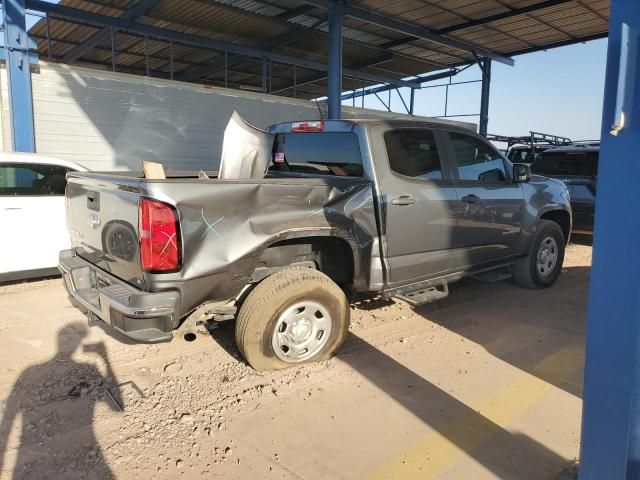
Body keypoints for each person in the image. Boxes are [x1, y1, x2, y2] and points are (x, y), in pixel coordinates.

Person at [0, 323, 121, 479]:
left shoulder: (29, 370)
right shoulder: (89, 367)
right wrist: (104, 357)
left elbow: (9, 415)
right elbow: (118, 407)